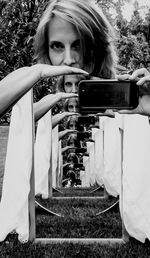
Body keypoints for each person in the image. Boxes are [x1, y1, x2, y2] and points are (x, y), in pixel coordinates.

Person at [0, 64, 87, 119]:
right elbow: (26, 117)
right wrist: (39, 72)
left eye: (79, 84)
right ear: (62, 86)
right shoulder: (53, 101)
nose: (74, 90)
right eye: (68, 84)